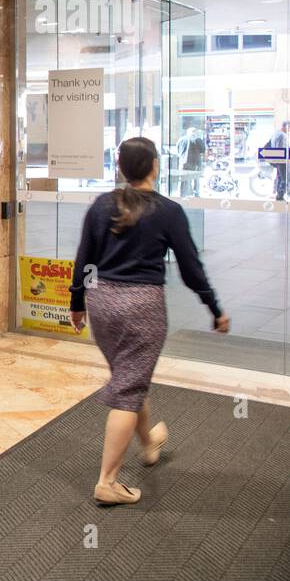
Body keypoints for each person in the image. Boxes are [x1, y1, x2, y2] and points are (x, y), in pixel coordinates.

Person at [69, 136, 229, 506]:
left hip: (103, 304)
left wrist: (77, 301)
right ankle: (107, 481)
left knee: (129, 375)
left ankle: (150, 440)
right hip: (142, 308)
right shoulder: (168, 211)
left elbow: (85, 258)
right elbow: (191, 268)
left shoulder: (101, 205)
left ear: (122, 167)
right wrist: (214, 308)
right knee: (127, 388)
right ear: (155, 165)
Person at [175, 126, 204, 197]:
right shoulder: (198, 140)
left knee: (183, 179)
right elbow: (203, 150)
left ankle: (182, 194)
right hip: (195, 163)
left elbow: (177, 151)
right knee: (196, 179)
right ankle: (196, 194)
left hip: (184, 163)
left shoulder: (181, 140)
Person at [269, 120, 290, 201]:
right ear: (286, 127)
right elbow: (282, 149)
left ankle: (278, 194)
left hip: (277, 160)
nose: (289, 131)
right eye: (289, 129)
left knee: (280, 177)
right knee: (286, 178)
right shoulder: (282, 135)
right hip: (282, 160)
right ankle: (281, 195)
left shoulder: (276, 133)